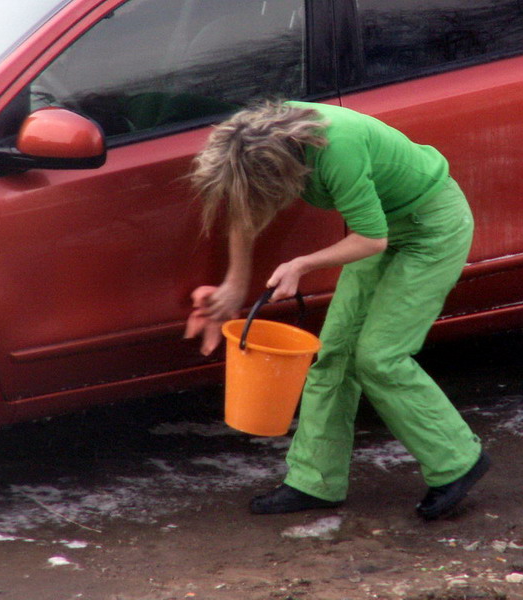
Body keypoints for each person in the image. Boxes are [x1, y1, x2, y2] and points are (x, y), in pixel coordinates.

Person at [189, 100, 489, 520]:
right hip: (385, 224)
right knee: (333, 354)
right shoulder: (249, 136)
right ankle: (315, 481)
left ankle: (457, 461)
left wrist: (302, 264)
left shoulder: (336, 148)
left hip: (431, 229)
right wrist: (234, 285)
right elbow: (245, 206)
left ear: (283, 168)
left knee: (379, 357)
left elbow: (371, 241)